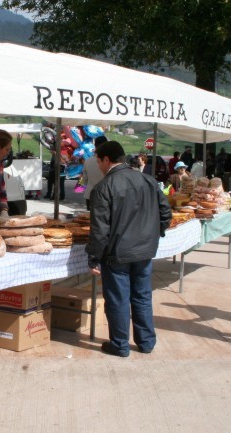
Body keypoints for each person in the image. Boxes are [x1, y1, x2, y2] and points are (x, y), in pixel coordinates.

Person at [86, 141, 172, 357]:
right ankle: (146, 342)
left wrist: (94, 257)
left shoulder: (104, 187)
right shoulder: (147, 179)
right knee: (142, 297)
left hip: (118, 254)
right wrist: (154, 234)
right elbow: (165, 213)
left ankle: (120, 344)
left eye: (99, 162)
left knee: (118, 299)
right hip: (144, 250)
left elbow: (100, 229)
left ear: (107, 160)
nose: (99, 166)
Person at [82, 136, 108, 210]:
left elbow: (85, 180)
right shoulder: (109, 161)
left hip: (90, 195)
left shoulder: (88, 161)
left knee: (90, 219)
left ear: (95, 145)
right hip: (105, 196)